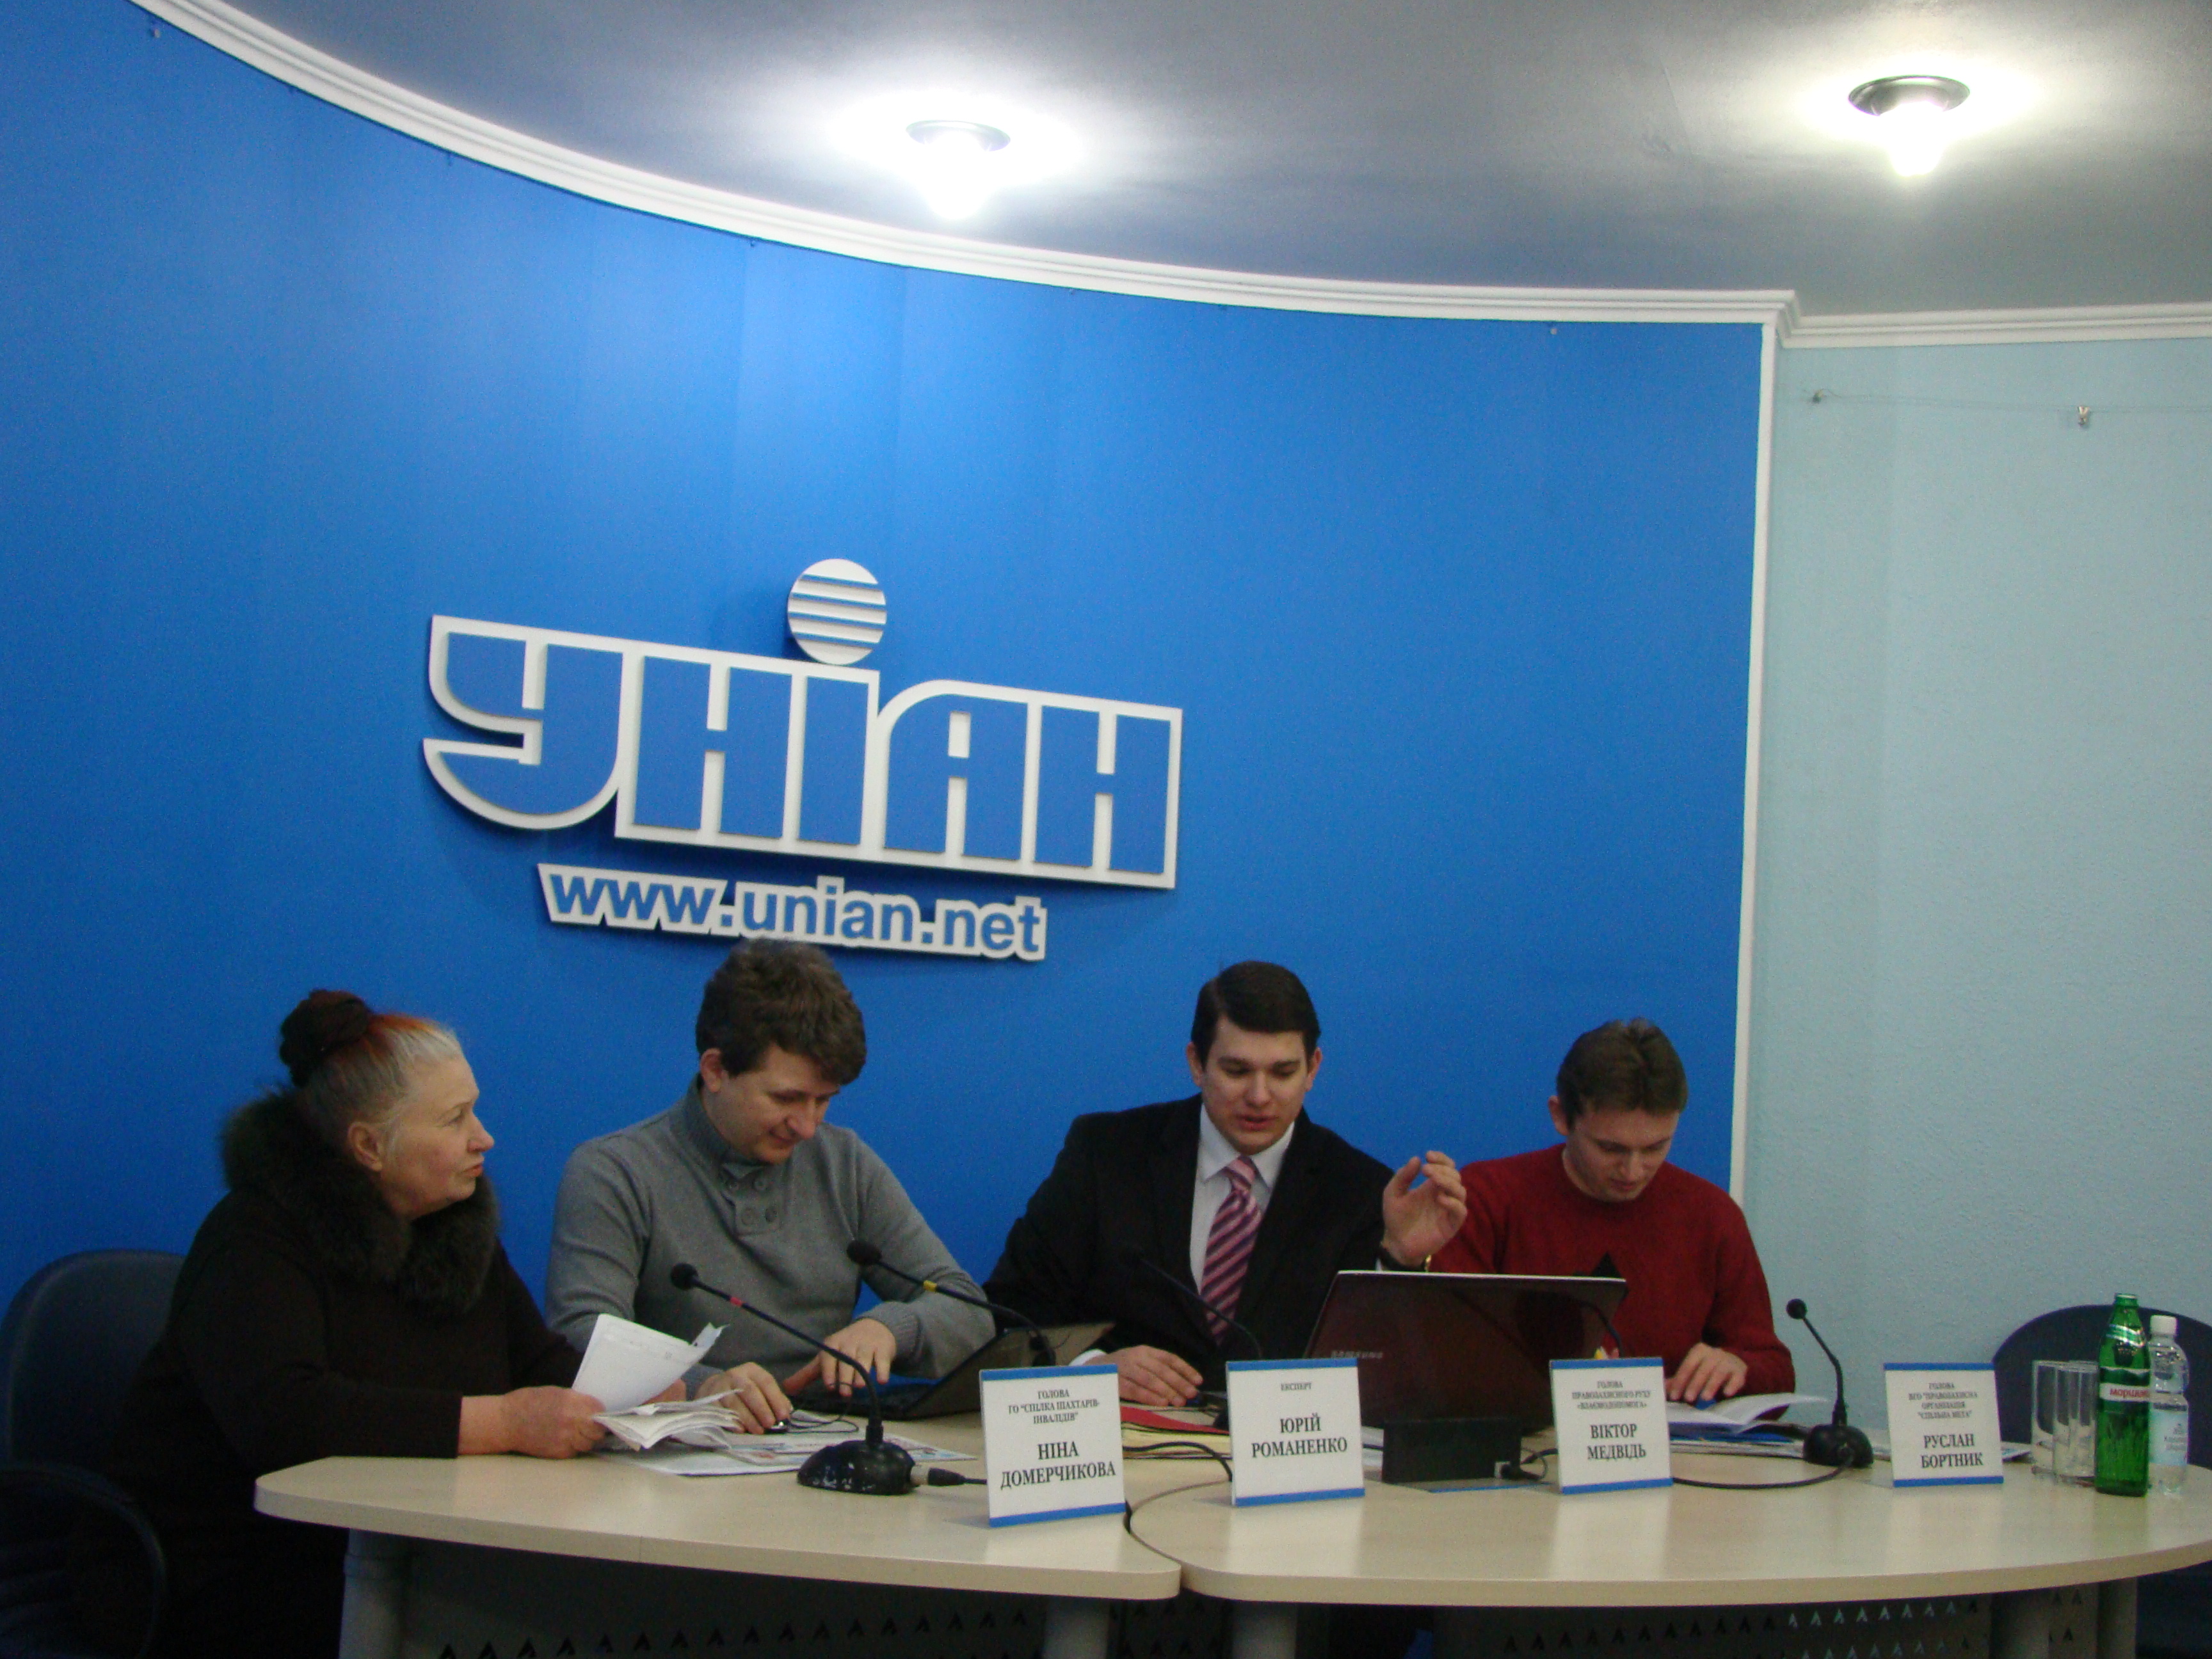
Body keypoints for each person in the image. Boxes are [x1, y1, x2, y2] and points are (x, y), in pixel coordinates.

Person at [92, 991, 607, 1659]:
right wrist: (503, 1423)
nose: (484, 1138)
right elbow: (287, 1418)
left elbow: (542, 1367)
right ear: (368, 1146)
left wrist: (676, 1397)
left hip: (402, 1558)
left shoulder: (453, 1230)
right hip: (231, 1570)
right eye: (454, 1119)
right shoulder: (255, 1237)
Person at [546, 942, 993, 1431]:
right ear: (716, 1070)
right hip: (680, 1442)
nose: (807, 1126)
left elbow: (970, 1311)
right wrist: (702, 1388)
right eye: (786, 1098)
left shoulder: (845, 1164)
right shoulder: (614, 1172)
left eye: (823, 1100)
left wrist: (889, 1329)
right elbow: (581, 1337)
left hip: (824, 1438)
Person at [985, 961, 1467, 1406]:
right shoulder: (1107, 1154)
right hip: (1125, 1438)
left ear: (1313, 1069)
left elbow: (1381, 1366)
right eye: (1237, 1071)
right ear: (1197, 1063)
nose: (1259, 1096)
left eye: (1283, 1073)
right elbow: (1011, 1305)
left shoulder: (1359, 1189)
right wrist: (1090, 1368)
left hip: (1285, 1450)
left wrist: (1399, 1261)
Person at [1432, 1017, 1794, 1402]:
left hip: (1673, 1437)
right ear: (1561, 1116)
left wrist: (1739, 1367)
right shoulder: (1487, 1198)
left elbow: (1775, 1368)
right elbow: (1436, 1356)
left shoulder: (1712, 1215)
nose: (1633, 1171)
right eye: (1610, 1149)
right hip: (1522, 1433)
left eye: (1655, 1148)